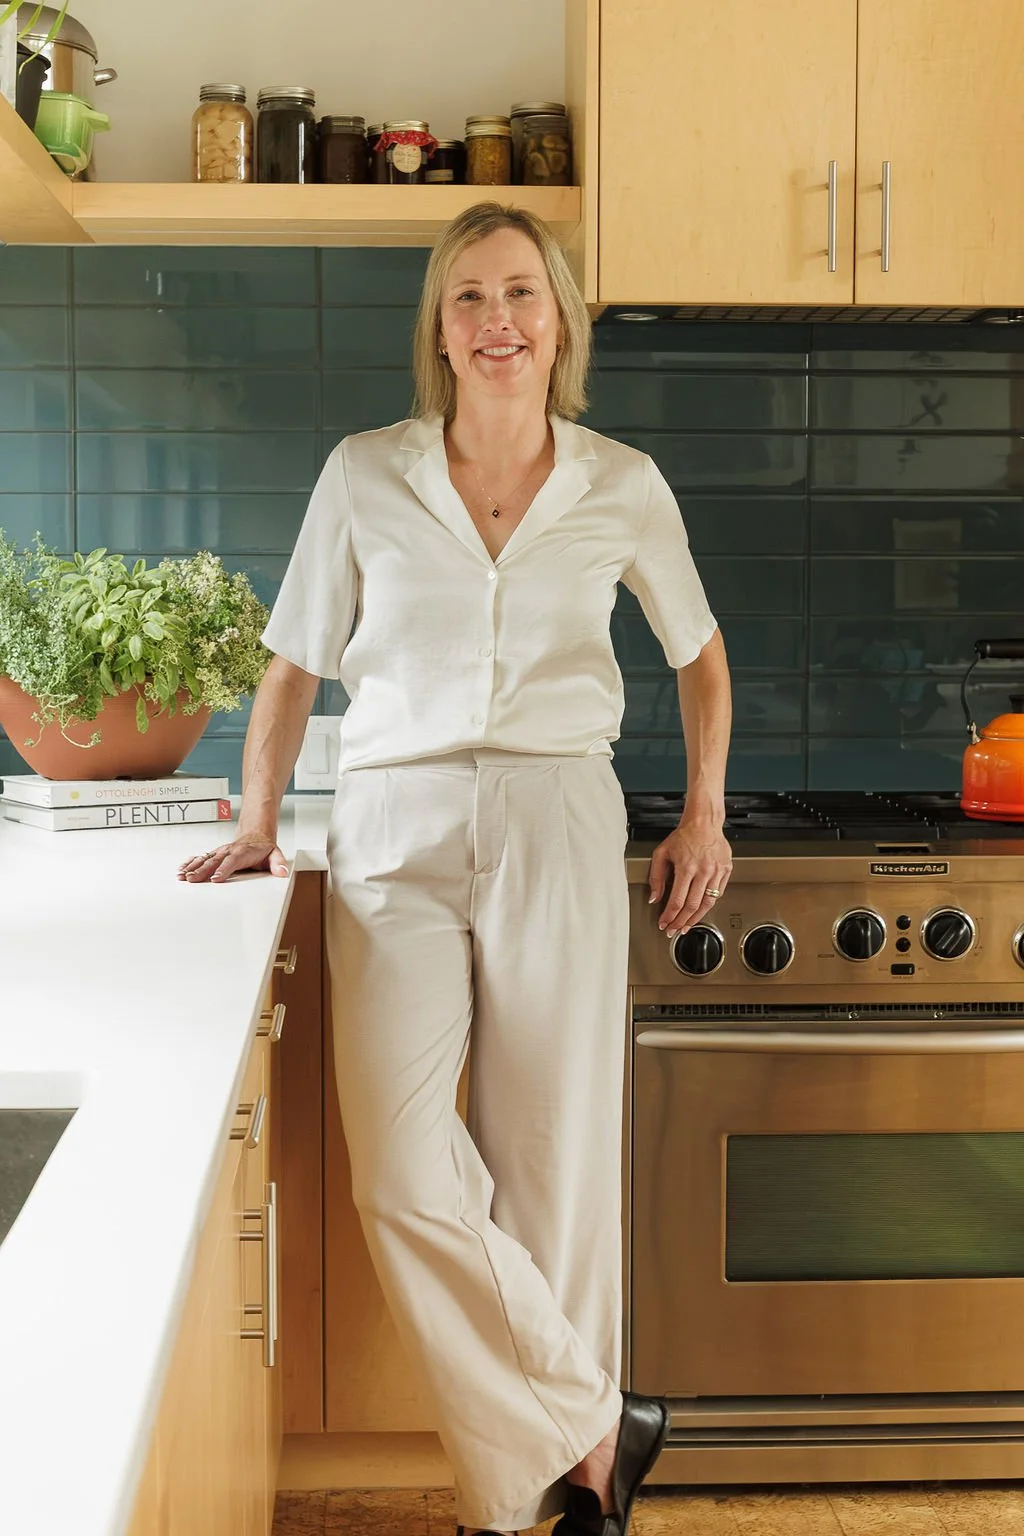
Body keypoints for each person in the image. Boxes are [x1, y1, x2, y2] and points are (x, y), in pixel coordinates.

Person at [178, 201, 732, 1536]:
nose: (498, 323)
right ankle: (599, 1423)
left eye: (521, 297)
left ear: (560, 324)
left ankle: (534, 1503)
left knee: (552, 1172)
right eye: (470, 298)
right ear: (440, 326)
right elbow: (295, 661)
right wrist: (262, 814)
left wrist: (703, 811)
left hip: (556, 816)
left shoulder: (623, 485)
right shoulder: (365, 472)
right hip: (394, 832)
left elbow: (701, 658)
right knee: (405, 1172)